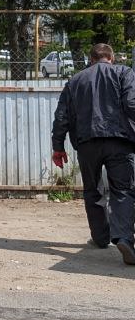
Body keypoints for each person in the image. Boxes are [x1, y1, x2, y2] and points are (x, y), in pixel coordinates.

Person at [50, 43, 135, 264]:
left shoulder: (75, 80)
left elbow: (62, 116)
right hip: (119, 141)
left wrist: (58, 147)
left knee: (93, 190)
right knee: (123, 190)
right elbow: (132, 104)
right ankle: (124, 237)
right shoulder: (124, 73)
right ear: (112, 57)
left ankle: (100, 237)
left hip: (87, 143)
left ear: (91, 59)